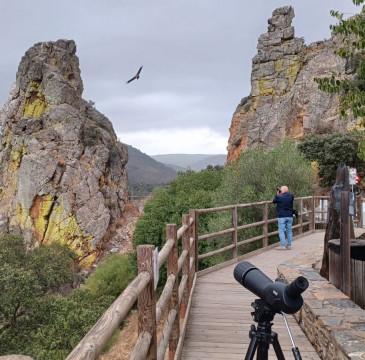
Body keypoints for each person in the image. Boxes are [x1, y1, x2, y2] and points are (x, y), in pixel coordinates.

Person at [273, 185, 294, 250]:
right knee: (289, 231)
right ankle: (289, 245)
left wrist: (277, 194)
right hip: (290, 216)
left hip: (282, 216)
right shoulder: (291, 196)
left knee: (281, 231)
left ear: (281, 191)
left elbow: (274, 201)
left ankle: (283, 246)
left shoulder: (279, 197)